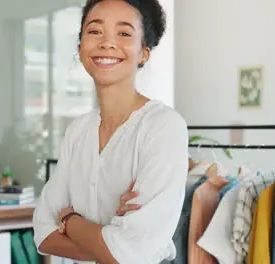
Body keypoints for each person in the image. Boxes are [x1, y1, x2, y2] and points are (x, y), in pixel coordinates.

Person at [32, 0, 189, 263]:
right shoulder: (78, 131)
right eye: (95, 31)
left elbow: (134, 253)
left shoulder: (163, 127)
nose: (107, 43)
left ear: (144, 52)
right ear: (80, 46)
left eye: (124, 33)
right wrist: (110, 242)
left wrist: (69, 220)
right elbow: (44, 234)